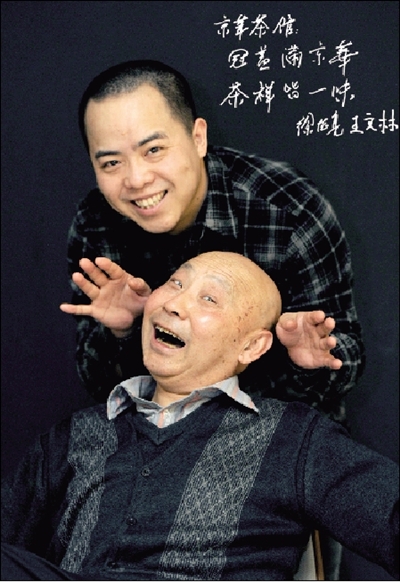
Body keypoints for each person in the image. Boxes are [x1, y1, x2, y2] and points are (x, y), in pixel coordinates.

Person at [2, 252, 398, 581]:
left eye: (209, 299)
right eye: (175, 282)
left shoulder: (293, 439)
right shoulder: (73, 436)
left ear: (252, 347)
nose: (174, 303)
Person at [59, 59, 365, 426]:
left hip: (278, 435)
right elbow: (100, 388)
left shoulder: (288, 211)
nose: (137, 179)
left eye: (154, 150)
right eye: (111, 163)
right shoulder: (96, 225)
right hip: (159, 439)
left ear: (198, 138)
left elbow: (346, 360)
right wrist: (122, 332)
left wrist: (310, 360)